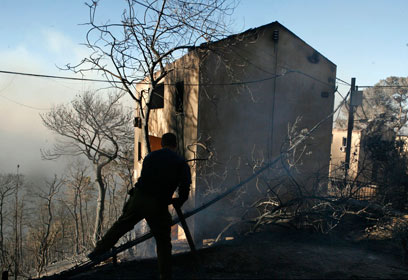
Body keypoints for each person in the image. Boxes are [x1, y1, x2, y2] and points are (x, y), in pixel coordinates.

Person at [88, 132, 191, 279]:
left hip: (139, 197)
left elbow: (145, 178)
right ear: (175, 145)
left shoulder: (150, 157)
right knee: (163, 242)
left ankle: (97, 251)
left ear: (162, 144)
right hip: (158, 203)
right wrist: (178, 202)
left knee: (121, 225)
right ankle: (165, 275)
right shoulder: (181, 162)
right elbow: (185, 188)